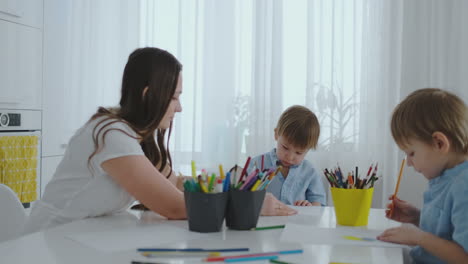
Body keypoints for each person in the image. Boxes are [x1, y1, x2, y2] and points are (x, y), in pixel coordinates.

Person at [23, 47, 296, 234]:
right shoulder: (111, 135)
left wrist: (222, 182)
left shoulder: (137, 136)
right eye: (175, 96)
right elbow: (175, 206)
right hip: (48, 241)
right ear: (147, 94)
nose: (179, 108)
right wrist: (249, 204)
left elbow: (175, 183)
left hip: (83, 237)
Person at [377, 88, 468, 263]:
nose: (409, 163)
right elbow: (447, 234)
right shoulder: (445, 177)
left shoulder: (463, 186)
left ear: (439, 143)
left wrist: (419, 238)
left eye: (411, 153)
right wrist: (417, 218)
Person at [248, 105, 326, 206]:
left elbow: (319, 202)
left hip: (296, 221)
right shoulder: (257, 164)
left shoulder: (309, 171)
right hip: (264, 220)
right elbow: (244, 197)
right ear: (276, 134)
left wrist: (310, 206)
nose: (289, 157)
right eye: (285, 147)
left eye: (298, 153)